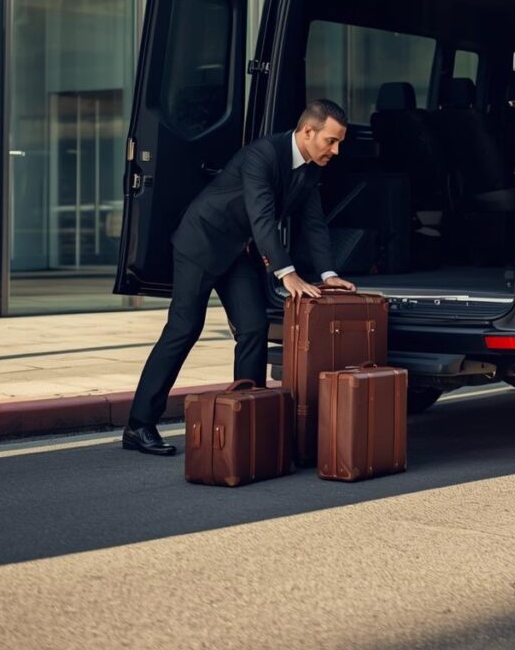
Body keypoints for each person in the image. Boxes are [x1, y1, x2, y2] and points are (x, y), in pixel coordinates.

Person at [123, 99, 356, 455]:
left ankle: (249, 421)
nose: (336, 150)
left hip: (237, 251)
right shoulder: (262, 155)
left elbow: (313, 223)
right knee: (184, 328)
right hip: (201, 241)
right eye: (331, 141)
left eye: (339, 143)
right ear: (308, 131)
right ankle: (139, 426)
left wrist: (328, 273)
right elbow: (262, 217)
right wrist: (287, 273)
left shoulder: (311, 167)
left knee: (253, 328)